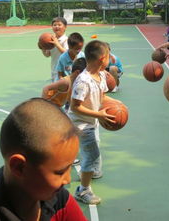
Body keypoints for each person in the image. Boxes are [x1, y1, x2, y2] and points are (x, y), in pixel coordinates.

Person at [0, 98, 88, 221]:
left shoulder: (59, 201)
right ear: (19, 167)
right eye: (60, 172)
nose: (68, 180)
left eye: (70, 167)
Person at [68, 40, 118, 204]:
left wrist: (117, 104)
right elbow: (75, 107)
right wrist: (99, 114)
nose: (111, 58)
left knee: (92, 148)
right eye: (109, 55)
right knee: (92, 155)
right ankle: (83, 191)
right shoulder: (83, 81)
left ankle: (89, 172)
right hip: (80, 124)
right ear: (102, 58)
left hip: (92, 120)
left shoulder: (102, 75)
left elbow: (102, 96)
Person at [39, 17, 68, 82]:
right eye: (54, 25)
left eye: (59, 25)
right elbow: (47, 55)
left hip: (64, 71)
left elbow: (67, 54)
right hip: (54, 70)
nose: (56, 26)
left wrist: (57, 44)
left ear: (65, 27)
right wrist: (42, 48)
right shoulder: (50, 40)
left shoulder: (66, 40)